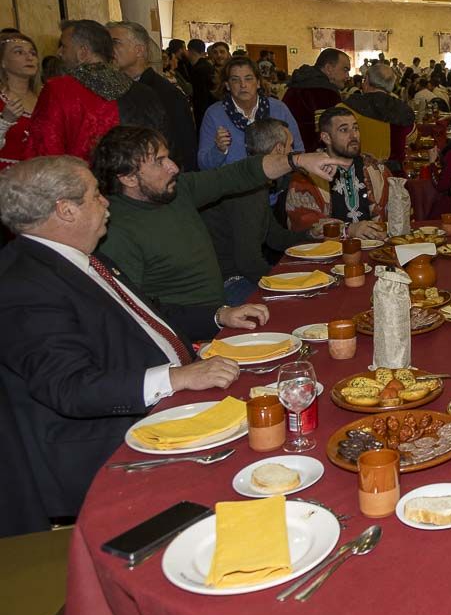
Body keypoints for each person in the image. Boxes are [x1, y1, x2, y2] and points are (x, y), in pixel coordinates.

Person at [0, 155, 270, 533]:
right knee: (265, 448)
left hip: (173, 395)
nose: (106, 202)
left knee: (275, 397)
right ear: (65, 211)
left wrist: (219, 315)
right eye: (96, 195)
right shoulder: (22, 284)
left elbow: (147, 313)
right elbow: (69, 387)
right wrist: (176, 378)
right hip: (115, 440)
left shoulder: (80, 257)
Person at [93, 125, 346, 319]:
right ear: (127, 178)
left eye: (167, 157)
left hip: (219, 312)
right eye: (159, 162)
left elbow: (238, 174)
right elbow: (138, 314)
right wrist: (217, 318)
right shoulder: (116, 232)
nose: (173, 167)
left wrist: (298, 160)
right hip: (192, 333)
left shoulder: (178, 191)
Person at [200, 119, 312, 305]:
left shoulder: (253, 183)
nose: (293, 151)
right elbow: (249, 263)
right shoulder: (248, 192)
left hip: (238, 276)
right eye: (290, 146)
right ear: (278, 150)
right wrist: (291, 284)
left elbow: (275, 238)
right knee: (299, 304)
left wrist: (312, 233)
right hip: (227, 284)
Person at [28, 20, 166, 161]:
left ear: (83, 53)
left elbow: (44, 150)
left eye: (63, 46)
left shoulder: (58, 90)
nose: (59, 53)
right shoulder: (143, 92)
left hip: (78, 180)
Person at [286, 106, 394, 238]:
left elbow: (396, 215)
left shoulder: (377, 170)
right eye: (344, 130)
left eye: (355, 128)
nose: (353, 135)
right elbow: (304, 224)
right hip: (326, 253)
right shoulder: (306, 176)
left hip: (375, 251)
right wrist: (347, 230)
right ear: (326, 138)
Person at [108, 22, 198, 173]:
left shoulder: (165, 93)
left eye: (115, 43)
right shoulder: (115, 88)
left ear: (139, 50)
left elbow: (184, 147)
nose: (108, 49)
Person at [198, 56, 303, 171]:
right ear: (227, 85)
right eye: (235, 80)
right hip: (232, 186)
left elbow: (299, 152)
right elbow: (203, 165)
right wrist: (219, 150)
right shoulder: (214, 114)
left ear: (258, 83)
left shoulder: (279, 109)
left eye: (248, 78)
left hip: (276, 184)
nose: (243, 85)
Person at [342, 61, 415, 168]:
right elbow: (411, 140)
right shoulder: (404, 110)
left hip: (358, 175)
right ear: (391, 85)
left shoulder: (346, 109)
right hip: (395, 177)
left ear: (366, 81)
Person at [282, 49, 351, 151]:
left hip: (288, 151)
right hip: (312, 157)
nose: (347, 76)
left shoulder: (296, 84)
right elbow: (329, 135)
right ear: (328, 68)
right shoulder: (326, 93)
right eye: (345, 70)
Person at [0, 33, 39, 170]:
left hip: (40, 179)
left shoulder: (47, 97)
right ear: (3, 62)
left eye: (33, 53)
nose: (29, 57)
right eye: (19, 52)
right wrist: (4, 121)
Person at [185, 38, 217, 126]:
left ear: (191, 51)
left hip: (203, 112)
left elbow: (201, 96)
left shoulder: (199, 70)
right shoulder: (207, 65)